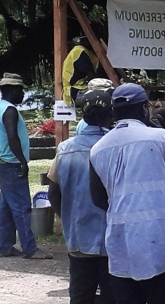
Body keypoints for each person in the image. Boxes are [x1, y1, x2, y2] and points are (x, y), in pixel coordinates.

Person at [89, 84, 165, 304]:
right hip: (162, 243)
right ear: (145, 108)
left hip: (122, 244)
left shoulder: (98, 148)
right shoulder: (160, 138)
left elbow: (98, 198)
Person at [48, 88, 115, 303]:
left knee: (80, 296)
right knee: (112, 296)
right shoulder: (114, 146)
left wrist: (68, 218)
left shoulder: (65, 149)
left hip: (78, 239)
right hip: (112, 241)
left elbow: (53, 193)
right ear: (109, 115)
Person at [0, 72, 51, 259]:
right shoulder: (10, 111)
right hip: (12, 164)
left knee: (7, 207)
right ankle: (29, 248)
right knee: (22, 207)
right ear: (11, 90)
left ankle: (5, 246)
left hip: (3, 162)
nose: (23, 94)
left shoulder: (0, 108)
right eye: (20, 90)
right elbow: (12, 137)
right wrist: (23, 162)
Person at [63, 37, 108, 107]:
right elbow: (92, 77)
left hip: (82, 88)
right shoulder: (79, 52)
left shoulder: (89, 53)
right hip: (76, 91)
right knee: (108, 97)